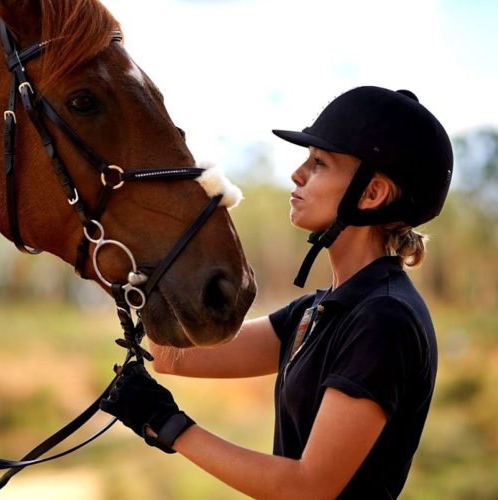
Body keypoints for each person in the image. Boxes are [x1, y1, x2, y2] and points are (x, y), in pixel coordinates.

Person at [100, 86, 453, 499]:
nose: (297, 174)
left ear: (371, 194)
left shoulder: (384, 318)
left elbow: (308, 487)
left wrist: (172, 427)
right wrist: (136, 256)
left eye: (319, 163)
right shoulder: (319, 311)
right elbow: (172, 356)